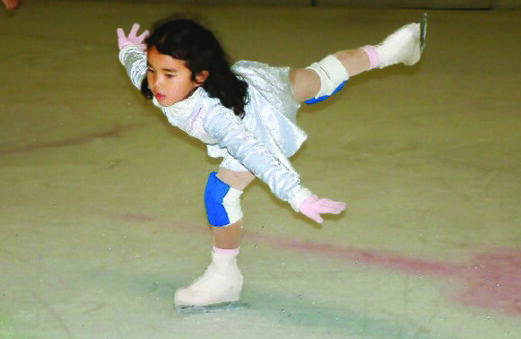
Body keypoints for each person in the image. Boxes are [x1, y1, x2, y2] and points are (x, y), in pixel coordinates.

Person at [116, 15, 425, 311]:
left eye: (169, 74)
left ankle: (224, 277)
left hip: (255, 126)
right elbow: (135, 67)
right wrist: (129, 49)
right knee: (321, 77)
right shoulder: (155, 85)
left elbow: (256, 154)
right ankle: (390, 51)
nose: (157, 83)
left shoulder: (215, 117)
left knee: (221, 194)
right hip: (264, 86)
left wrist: (297, 194)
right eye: (153, 70)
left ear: (200, 77)